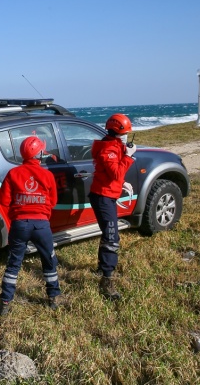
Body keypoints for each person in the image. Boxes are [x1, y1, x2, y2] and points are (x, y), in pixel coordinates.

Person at [0, 136, 61, 316]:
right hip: (42, 225)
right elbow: (53, 201)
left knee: (14, 264)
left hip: (19, 225)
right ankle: (53, 297)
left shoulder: (13, 174)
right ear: (39, 154)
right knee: (49, 261)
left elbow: (3, 200)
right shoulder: (47, 175)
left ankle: (5, 302)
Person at [88, 113, 137, 300]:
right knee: (111, 236)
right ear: (117, 132)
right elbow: (115, 172)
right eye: (125, 133)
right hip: (102, 197)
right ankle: (107, 279)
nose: (126, 137)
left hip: (107, 193)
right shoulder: (108, 149)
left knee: (108, 232)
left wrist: (121, 183)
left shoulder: (114, 145)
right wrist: (129, 157)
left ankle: (102, 268)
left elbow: (110, 174)